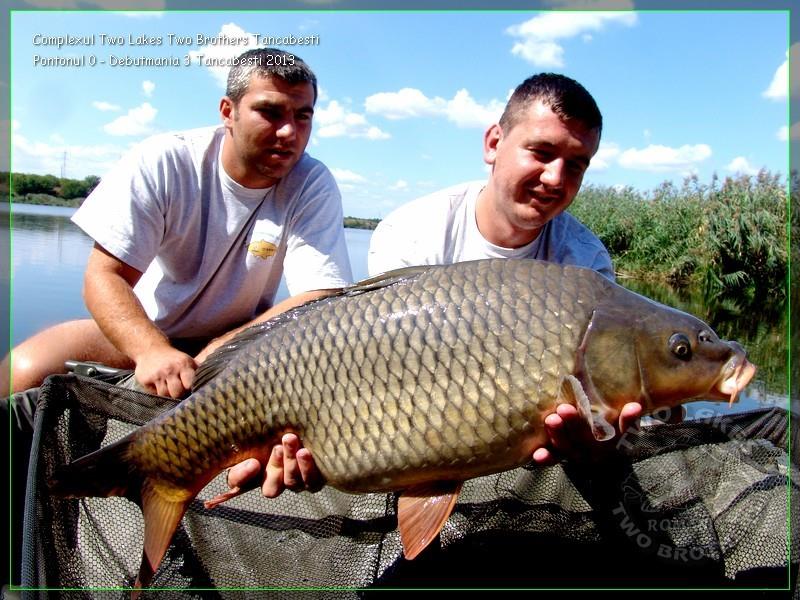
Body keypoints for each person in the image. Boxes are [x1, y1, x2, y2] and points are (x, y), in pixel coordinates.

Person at [225, 73, 645, 499]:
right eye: (541, 152)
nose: (556, 178)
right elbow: (367, 382)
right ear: (494, 143)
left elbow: (601, 411)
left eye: (576, 164)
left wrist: (599, 437)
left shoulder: (585, 264)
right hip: (395, 424)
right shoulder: (413, 231)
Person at [2, 47, 352, 496]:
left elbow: (319, 296)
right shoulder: (166, 160)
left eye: (303, 116)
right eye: (270, 112)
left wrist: (223, 351)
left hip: (243, 346)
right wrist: (149, 350)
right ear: (228, 111)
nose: (289, 132)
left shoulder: (312, 181)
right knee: (26, 366)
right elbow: (103, 276)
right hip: (146, 332)